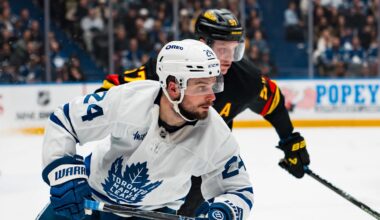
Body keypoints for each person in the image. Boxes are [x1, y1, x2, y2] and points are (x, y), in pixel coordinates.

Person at [96, 9, 310, 216]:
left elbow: (273, 101)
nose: (228, 58)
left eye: (234, 50)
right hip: (159, 156)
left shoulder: (245, 79)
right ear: (202, 44)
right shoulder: (172, 65)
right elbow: (114, 88)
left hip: (205, 159)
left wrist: (290, 140)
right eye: (222, 49)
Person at [37, 39, 253, 220]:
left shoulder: (217, 136)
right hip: (88, 199)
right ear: (173, 87)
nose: (212, 96)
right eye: (201, 87)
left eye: (213, 85)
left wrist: (224, 212)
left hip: (153, 215)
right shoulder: (129, 100)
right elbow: (66, 119)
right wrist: (64, 174)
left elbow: (238, 189)